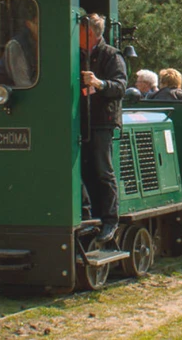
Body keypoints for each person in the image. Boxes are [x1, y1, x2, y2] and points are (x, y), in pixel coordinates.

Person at [79, 13, 126, 247]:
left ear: (89, 33)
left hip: (102, 121)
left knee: (103, 170)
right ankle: (87, 216)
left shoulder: (111, 55)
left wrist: (99, 83)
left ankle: (110, 220)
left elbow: (120, 86)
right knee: (81, 169)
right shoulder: (76, 54)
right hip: (80, 120)